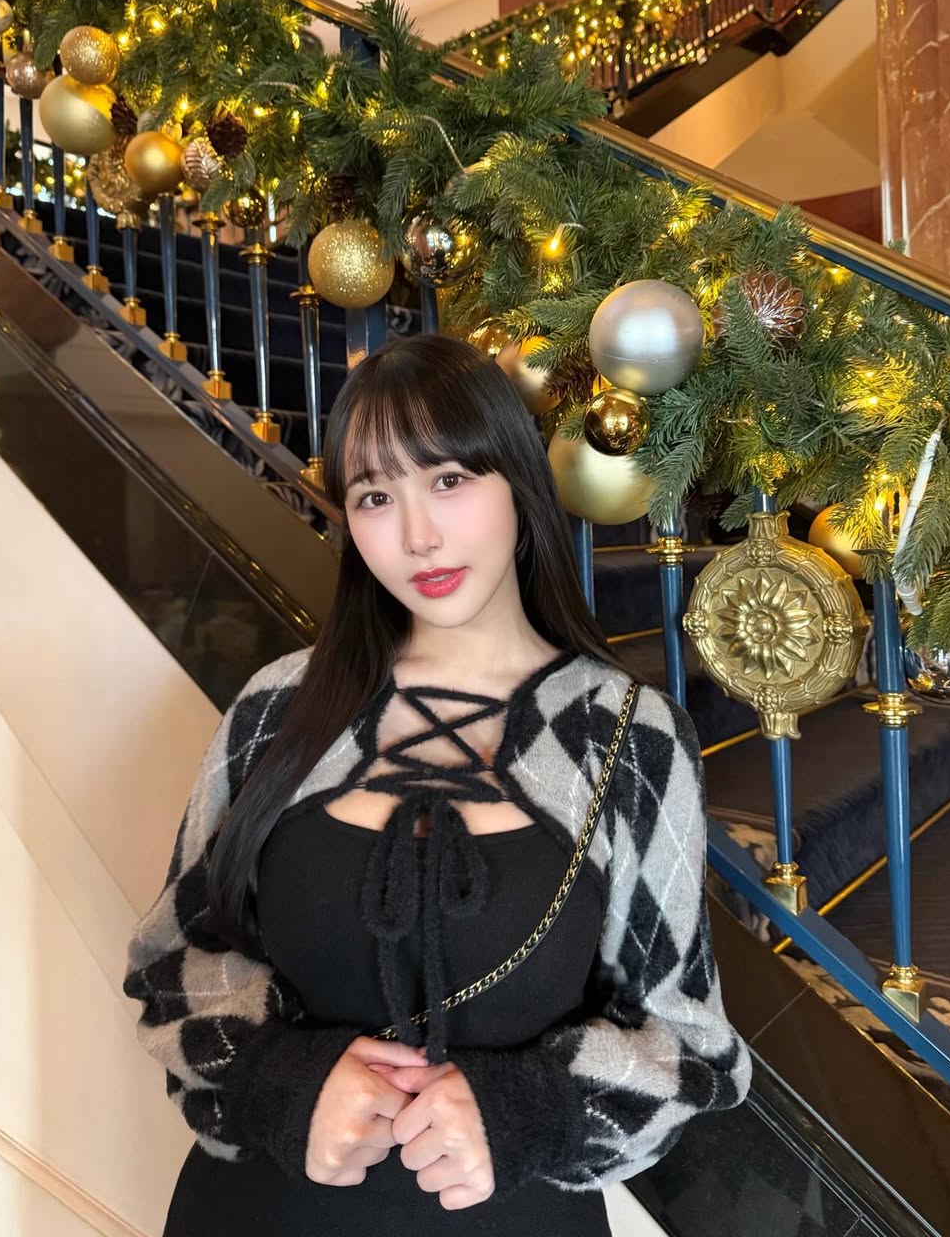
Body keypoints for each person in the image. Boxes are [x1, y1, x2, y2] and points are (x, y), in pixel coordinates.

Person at [123, 332, 752, 1236]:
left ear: (518, 483)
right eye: (376, 497)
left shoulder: (626, 738)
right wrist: (283, 1082)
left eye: (450, 480)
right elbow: (171, 964)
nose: (418, 536)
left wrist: (522, 1110)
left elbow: (687, 1044)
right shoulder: (280, 708)